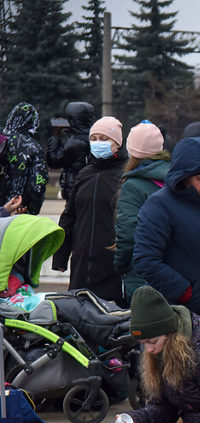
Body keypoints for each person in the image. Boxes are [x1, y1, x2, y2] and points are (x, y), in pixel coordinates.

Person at [132, 136, 200, 317]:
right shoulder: (159, 205)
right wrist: (184, 291)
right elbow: (145, 259)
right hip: (178, 311)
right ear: (184, 176)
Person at [117, 286, 200, 423]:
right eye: (143, 343)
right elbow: (164, 408)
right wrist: (134, 419)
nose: (149, 349)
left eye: (153, 342)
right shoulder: (158, 352)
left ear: (170, 334)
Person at [51, 116, 126, 305]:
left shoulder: (125, 177)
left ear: (118, 144)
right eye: (94, 139)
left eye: (104, 139)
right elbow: (69, 216)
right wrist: (60, 257)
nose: (98, 143)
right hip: (81, 266)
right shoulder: (85, 174)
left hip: (112, 270)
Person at [113, 121, 171, 301]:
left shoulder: (133, 185)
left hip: (141, 274)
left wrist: (120, 265)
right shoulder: (174, 178)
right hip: (172, 271)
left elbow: (128, 232)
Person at [0, 102, 47, 215]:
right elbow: (38, 184)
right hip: (20, 208)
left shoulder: (2, 140)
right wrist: (32, 209)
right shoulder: (34, 147)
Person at [46, 101, 96, 201]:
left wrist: (56, 135)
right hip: (90, 187)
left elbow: (53, 160)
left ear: (74, 120)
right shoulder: (93, 138)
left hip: (74, 189)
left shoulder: (74, 144)